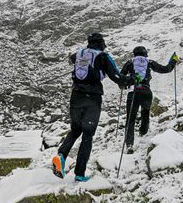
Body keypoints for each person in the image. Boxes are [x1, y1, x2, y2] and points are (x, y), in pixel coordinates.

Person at [52, 33, 131, 182]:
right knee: (87, 135)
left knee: (75, 130)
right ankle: (80, 174)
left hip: (75, 96)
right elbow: (117, 76)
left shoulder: (79, 54)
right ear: (101, 43)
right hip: (92, 99)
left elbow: (72, 60)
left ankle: (61, 156)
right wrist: (131, 80)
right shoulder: (103, 56)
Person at [120, 46, 179, 153]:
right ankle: (143, 131)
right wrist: (173, 61)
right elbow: (166, 69)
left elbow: (121, 77)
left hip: (133, 91)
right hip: (146, 91)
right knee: (145, 112)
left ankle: (129, 144)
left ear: (134, 54)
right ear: (145, 53)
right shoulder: (149, 62)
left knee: (131, 119)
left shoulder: (130, 62)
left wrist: (124, 84)